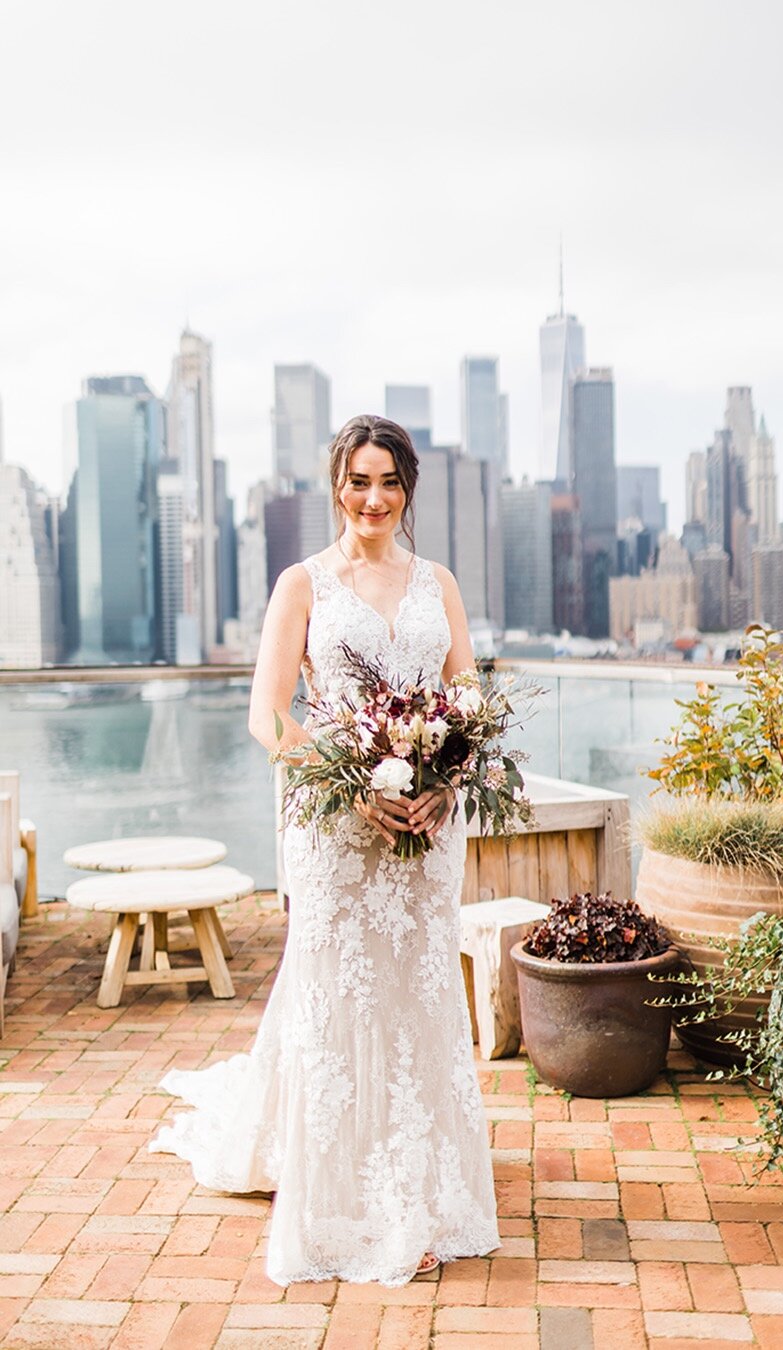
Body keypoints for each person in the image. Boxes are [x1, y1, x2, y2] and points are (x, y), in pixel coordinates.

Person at [149, 414, 500, 1287]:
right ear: (335, 486)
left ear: (408, 487)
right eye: (357, 481)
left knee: (416, 994)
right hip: (337, 832)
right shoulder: (303, 583)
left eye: (388, 482)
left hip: (425, 827)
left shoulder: (439, 583)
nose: (373, 499)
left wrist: (443, 782)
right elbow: (269, 716)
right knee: (337, 999)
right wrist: (359, 787)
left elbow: (468, 701)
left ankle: (418, 1183)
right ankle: (345, 1195)